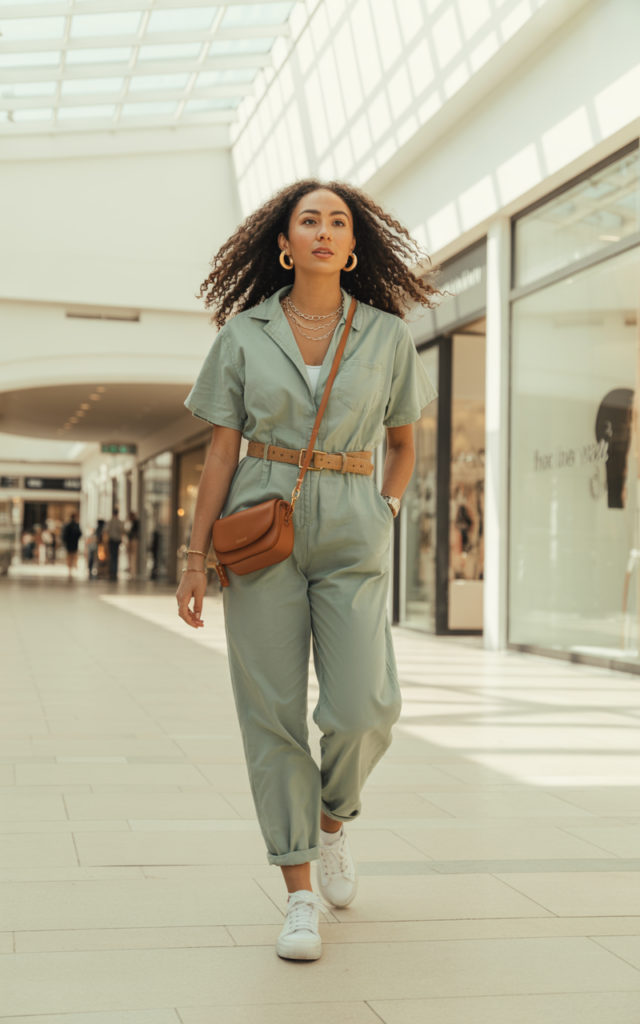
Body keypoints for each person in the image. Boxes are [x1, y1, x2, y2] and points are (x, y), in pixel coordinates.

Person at [176, 179, 438, 961]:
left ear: (353, 246)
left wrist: (387, 508)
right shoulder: (244, 334)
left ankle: (331, 822)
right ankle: (297, 896)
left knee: (365, 707)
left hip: (354, 522)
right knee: (272, 714)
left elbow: (403, 442)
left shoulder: (387, 335)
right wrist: (194, 557)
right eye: (309, 220)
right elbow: (220, 451)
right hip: (261, 523)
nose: (324, 230)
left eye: (338, 221)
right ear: (285, 243)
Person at [61, 512, 82, 579]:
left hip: (69, 543)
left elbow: (64, 535)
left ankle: (70, 570)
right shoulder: (76, 525)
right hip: (74, 543)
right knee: (73, 556)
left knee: (70, 557)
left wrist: (66, 541)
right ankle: (72, 569)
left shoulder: (68, 525)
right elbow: (79, 534)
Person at [106, 507, 125, 581]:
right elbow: (122, 530)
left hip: (111, 540)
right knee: (116, 556)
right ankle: (114, 571)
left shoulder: (110, 522)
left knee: (112, 556)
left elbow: (106, 530)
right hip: (117, 540)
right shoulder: (119, 522)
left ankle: (112, 571)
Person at [126, 511, 140, 579]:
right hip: (131, 540)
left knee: (133, 556)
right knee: (130, 556)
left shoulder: (135, 523)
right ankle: (131, 570)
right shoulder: (131, 523)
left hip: (133, 540)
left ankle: (133, 572)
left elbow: (133, 533)